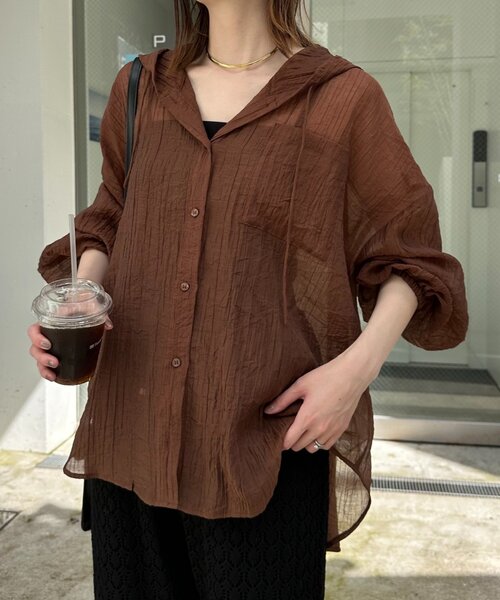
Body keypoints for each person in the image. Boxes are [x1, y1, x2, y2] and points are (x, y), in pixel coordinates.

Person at [27, 0, 469, 598]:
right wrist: (83, 299)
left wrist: (352, 375)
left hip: (263, 444)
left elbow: (410, 257)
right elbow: (110, 216)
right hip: (132, 432)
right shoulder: (140, 88)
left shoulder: (341, 98)